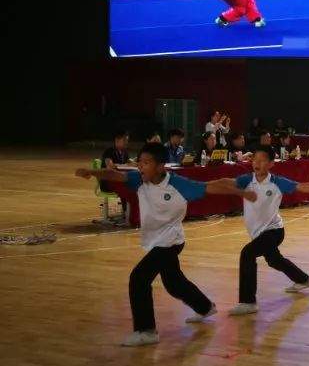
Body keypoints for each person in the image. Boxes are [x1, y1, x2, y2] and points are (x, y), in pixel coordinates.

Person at [74, 142, 255, 347]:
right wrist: (91, 171)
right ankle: (204, 306)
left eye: (146, 163)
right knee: (173, 283)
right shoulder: (138, 180)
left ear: (160, 167)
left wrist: (242, 192)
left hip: (170, 242)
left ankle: (146, 331)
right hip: (156, 241)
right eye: (140, 162)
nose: (141, 167)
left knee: (139, 278)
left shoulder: (178, 184)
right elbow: (115, 175)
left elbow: (213, 185)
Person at [226, 147, 309, 315]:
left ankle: (248, 302)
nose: (256, 163)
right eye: (254, 160)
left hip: (274, 231)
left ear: (271, 164)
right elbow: (227, 183)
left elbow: (303, 186)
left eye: (262, 160)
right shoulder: (246, 180)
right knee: (274, 260)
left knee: (247, 254)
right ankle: (303, 279)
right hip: (258, 233)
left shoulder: (277, 182)